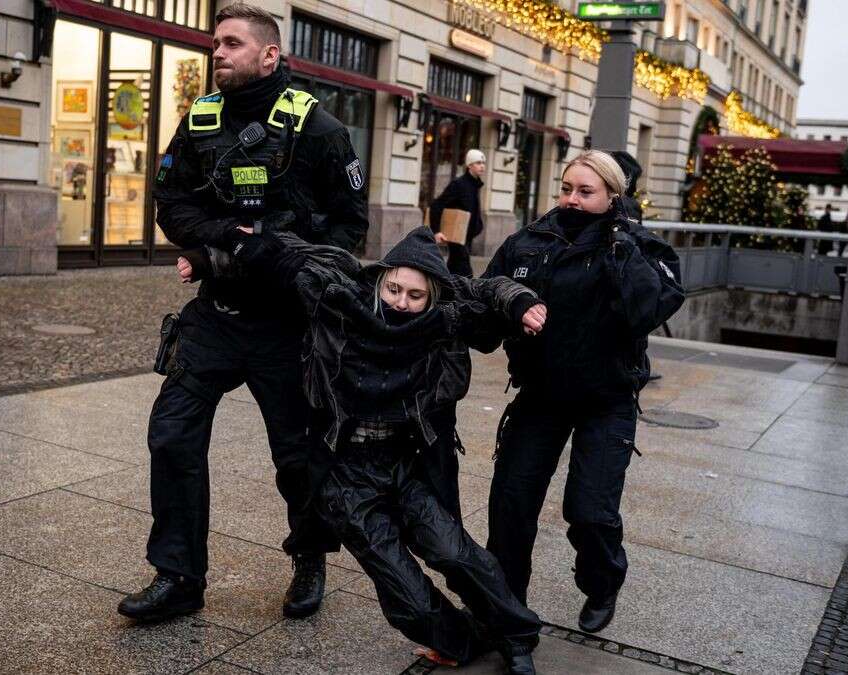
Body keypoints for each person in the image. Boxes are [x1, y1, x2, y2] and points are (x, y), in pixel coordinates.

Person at [188, 225, 547, 674]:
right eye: (393, 288)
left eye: (415, 296)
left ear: (433, 297)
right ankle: (460, 642)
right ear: (379, 279)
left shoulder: (443, 322)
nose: (400, 302)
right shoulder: (338, 303)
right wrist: (209, 257)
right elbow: (284, 253)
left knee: (455, 554)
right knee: (407, 597)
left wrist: (520, 301)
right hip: (347, 472)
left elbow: (489, 286)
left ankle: (515, 636)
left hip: (410, 464)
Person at [119, 3, 369, 623]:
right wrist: (228, 240)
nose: (218, 52)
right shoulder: (201, 121)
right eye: (215, 43)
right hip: (217, 316)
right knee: (173, 435)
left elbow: (348, 232)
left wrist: (278, 253)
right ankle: (177, 577)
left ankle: (310, 559)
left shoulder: (319, 130)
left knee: (297, 457)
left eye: (232, 43)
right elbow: (170, 204)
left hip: (288, 326)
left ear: (269, 55)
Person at [482, 150, 685, 635]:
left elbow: (650, 309)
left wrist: (622, 245)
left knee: (589, 511)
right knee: (511, 505)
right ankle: (507, 614)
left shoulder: (639, 247)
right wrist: (510, 302)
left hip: (606, 399)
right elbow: (480, 302)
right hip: (540, 395)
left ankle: (602, 580)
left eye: (586, 192)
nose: (572, 199)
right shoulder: (529, 242)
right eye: (567, 188)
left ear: (613, 197)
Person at [429, 149, 486, 277]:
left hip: (467, 237)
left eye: (483, 163)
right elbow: (436, 205)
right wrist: (437, 231)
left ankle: (443, 291)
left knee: (454, 270)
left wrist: (478, 226)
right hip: (456, 237)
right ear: (469, 165)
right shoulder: (459, 184)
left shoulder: (475, 185)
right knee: (465, 274)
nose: (482, 166)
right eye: (478, 162)